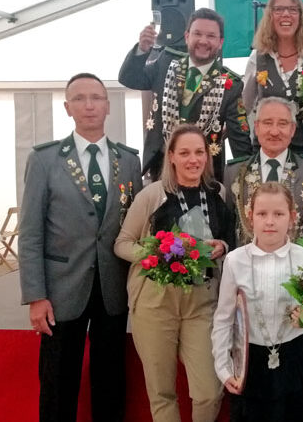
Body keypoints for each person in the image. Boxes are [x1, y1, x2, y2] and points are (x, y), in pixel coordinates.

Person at [19, 72, 143, 422]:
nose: (89, 105)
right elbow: (30, 232)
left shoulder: (128, 160)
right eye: (80, 98)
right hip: (61, 290)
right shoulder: (44, 160)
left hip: (112, 287)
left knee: (110, 381)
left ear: (107, 106)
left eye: (96, 98)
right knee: (58, 381)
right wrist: (35, 295)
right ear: (67, 107)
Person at [114, 124, 235, 422]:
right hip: (156, 302)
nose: (193, 159)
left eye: (199, 152)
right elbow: (121, 244)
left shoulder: (218, 193)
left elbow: (228, 239)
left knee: (209, 390)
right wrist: (158, 253)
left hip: (202, 302)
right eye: (184, 153)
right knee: (162, 393)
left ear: (207, 156)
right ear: (171, 156)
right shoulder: (151, 195)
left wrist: (222, 246)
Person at [212, 182, 303, 422]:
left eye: (279, 214)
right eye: (262, 214)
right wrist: (223, 367)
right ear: (251, 217)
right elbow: (223, 318)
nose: (270, 221)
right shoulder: (235, 261)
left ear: (292, 218)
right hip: (251, 362)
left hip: (295, 358)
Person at [119, 7, 253, 182]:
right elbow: (130, 79)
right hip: (161, 168)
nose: (203, 41)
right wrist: (142, 50)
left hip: (204, 175)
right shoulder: (165, 62)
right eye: (197, 34)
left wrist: (247, 181)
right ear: (187, 36)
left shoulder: (231, 84)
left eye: (211, 36)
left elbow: (240, 140)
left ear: (220, 42)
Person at [224, 96, 303, 244]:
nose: (274, 131)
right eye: (267, 123)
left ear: (292, 129)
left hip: (296, 264)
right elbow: (229, 228)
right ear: (257, 127)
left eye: (282, 124)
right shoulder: (234, 172)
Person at [243, 0, 303, 158]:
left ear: (300, 17)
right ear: (270, 16)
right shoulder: (257, 58)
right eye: (278, 9)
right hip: (267, 150)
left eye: (293, 10)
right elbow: (244, 107)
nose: (286, 14)